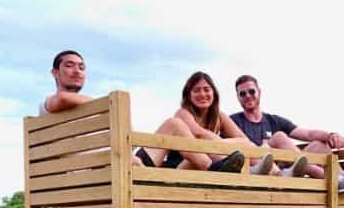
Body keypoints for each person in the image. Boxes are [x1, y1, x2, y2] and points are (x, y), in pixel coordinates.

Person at [39, 52, 245, 173]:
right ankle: (214, 170)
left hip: (124, 164)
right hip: (100, 172)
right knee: (179, 144)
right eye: (69, 66)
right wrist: (109, 104)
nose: (77, 70)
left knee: (173, 124)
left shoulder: (90, 111)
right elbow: (62, 98)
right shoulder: (48, 104)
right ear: (55, 73)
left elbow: (131, 139)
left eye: (81, 67)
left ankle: (212, 168)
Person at [229, 75, 344, 193]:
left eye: (251, 91)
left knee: (319, 144)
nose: (248, 96)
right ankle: (335, 180)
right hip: (266, 174)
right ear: (238, 98)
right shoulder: (234, 121)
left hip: (292, 169)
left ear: (259, 92)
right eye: (242, 94)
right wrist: (264, 147)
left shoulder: (272, 120)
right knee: (279, 137)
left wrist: (330, 135)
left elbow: (307, 133)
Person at [135, 71, 273, 175]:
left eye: (206, 89)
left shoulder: (218, 116)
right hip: (178, 168)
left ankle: (270, 173)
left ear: (214, 93)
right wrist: (222, 150)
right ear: (188, 95)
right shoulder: (182, 113)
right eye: (196, 90)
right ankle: (228, 167)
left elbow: (244, 140)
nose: (202, 94)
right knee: (178, 126)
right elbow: (199, 135)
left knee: (244, 144)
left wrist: (222, 147)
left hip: (201, 166)